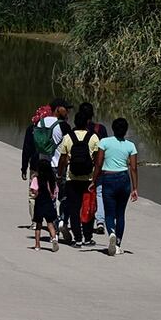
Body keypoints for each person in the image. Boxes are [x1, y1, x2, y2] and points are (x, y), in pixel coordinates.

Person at [90, 117, 138, 257]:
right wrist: (135, 188)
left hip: (108, 178)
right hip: (123, 179)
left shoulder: (104, 142)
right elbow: (133, 168)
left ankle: (111, 232)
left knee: (109, 213)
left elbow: (98, 164)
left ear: (113, 128)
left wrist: (94, 180)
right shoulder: (131, 146)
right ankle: (117, 244)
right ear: (126, 130)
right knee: (120, 214)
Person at [57, 110, 101, 247]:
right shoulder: (94, 137)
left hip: (72, 178)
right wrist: (95, 178)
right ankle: (88, 238)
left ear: (75, 122)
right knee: (88, 208)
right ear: (87, 122)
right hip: (88, 179)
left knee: (74, 209)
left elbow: (63, 158)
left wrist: (59, 174)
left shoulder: (68, 137)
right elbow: (97, 160)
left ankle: (77, 238)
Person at [35, 99, 73, 241]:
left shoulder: (40, 123)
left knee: (49, 198)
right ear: (57, 109)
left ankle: (54, 228)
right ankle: (62, 220)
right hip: (59, 166)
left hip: (43, 166)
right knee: (64, 196)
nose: (68, 112)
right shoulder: (63, 126)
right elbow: (70, 146)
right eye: (66, 109)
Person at [78, 102, 108, 234]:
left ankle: (82, 218)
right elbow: (105, 148)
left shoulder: (77, 129)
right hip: (98, 166)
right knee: (99, 193)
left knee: (82, 193)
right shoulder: (100, 128)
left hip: (81, 167)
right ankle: (100, 221)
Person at [20, 104, 52, 223]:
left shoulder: (31, 129)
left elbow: (26, 149)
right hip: (49, 165)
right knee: (49, 191)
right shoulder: (52, 128)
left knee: (33, 192)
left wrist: (24, 168)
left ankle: (35, 220)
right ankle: (50, 219)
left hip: (34, 165)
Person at [29, 157, 60, 252]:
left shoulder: (36, 179)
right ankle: (54, 238)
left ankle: (37, 244)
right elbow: (55, 192)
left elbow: (33, 191)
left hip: (39, 203)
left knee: (38, 225)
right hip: (48, 202)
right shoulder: (52, 180)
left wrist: (34, 193)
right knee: (50, 223)